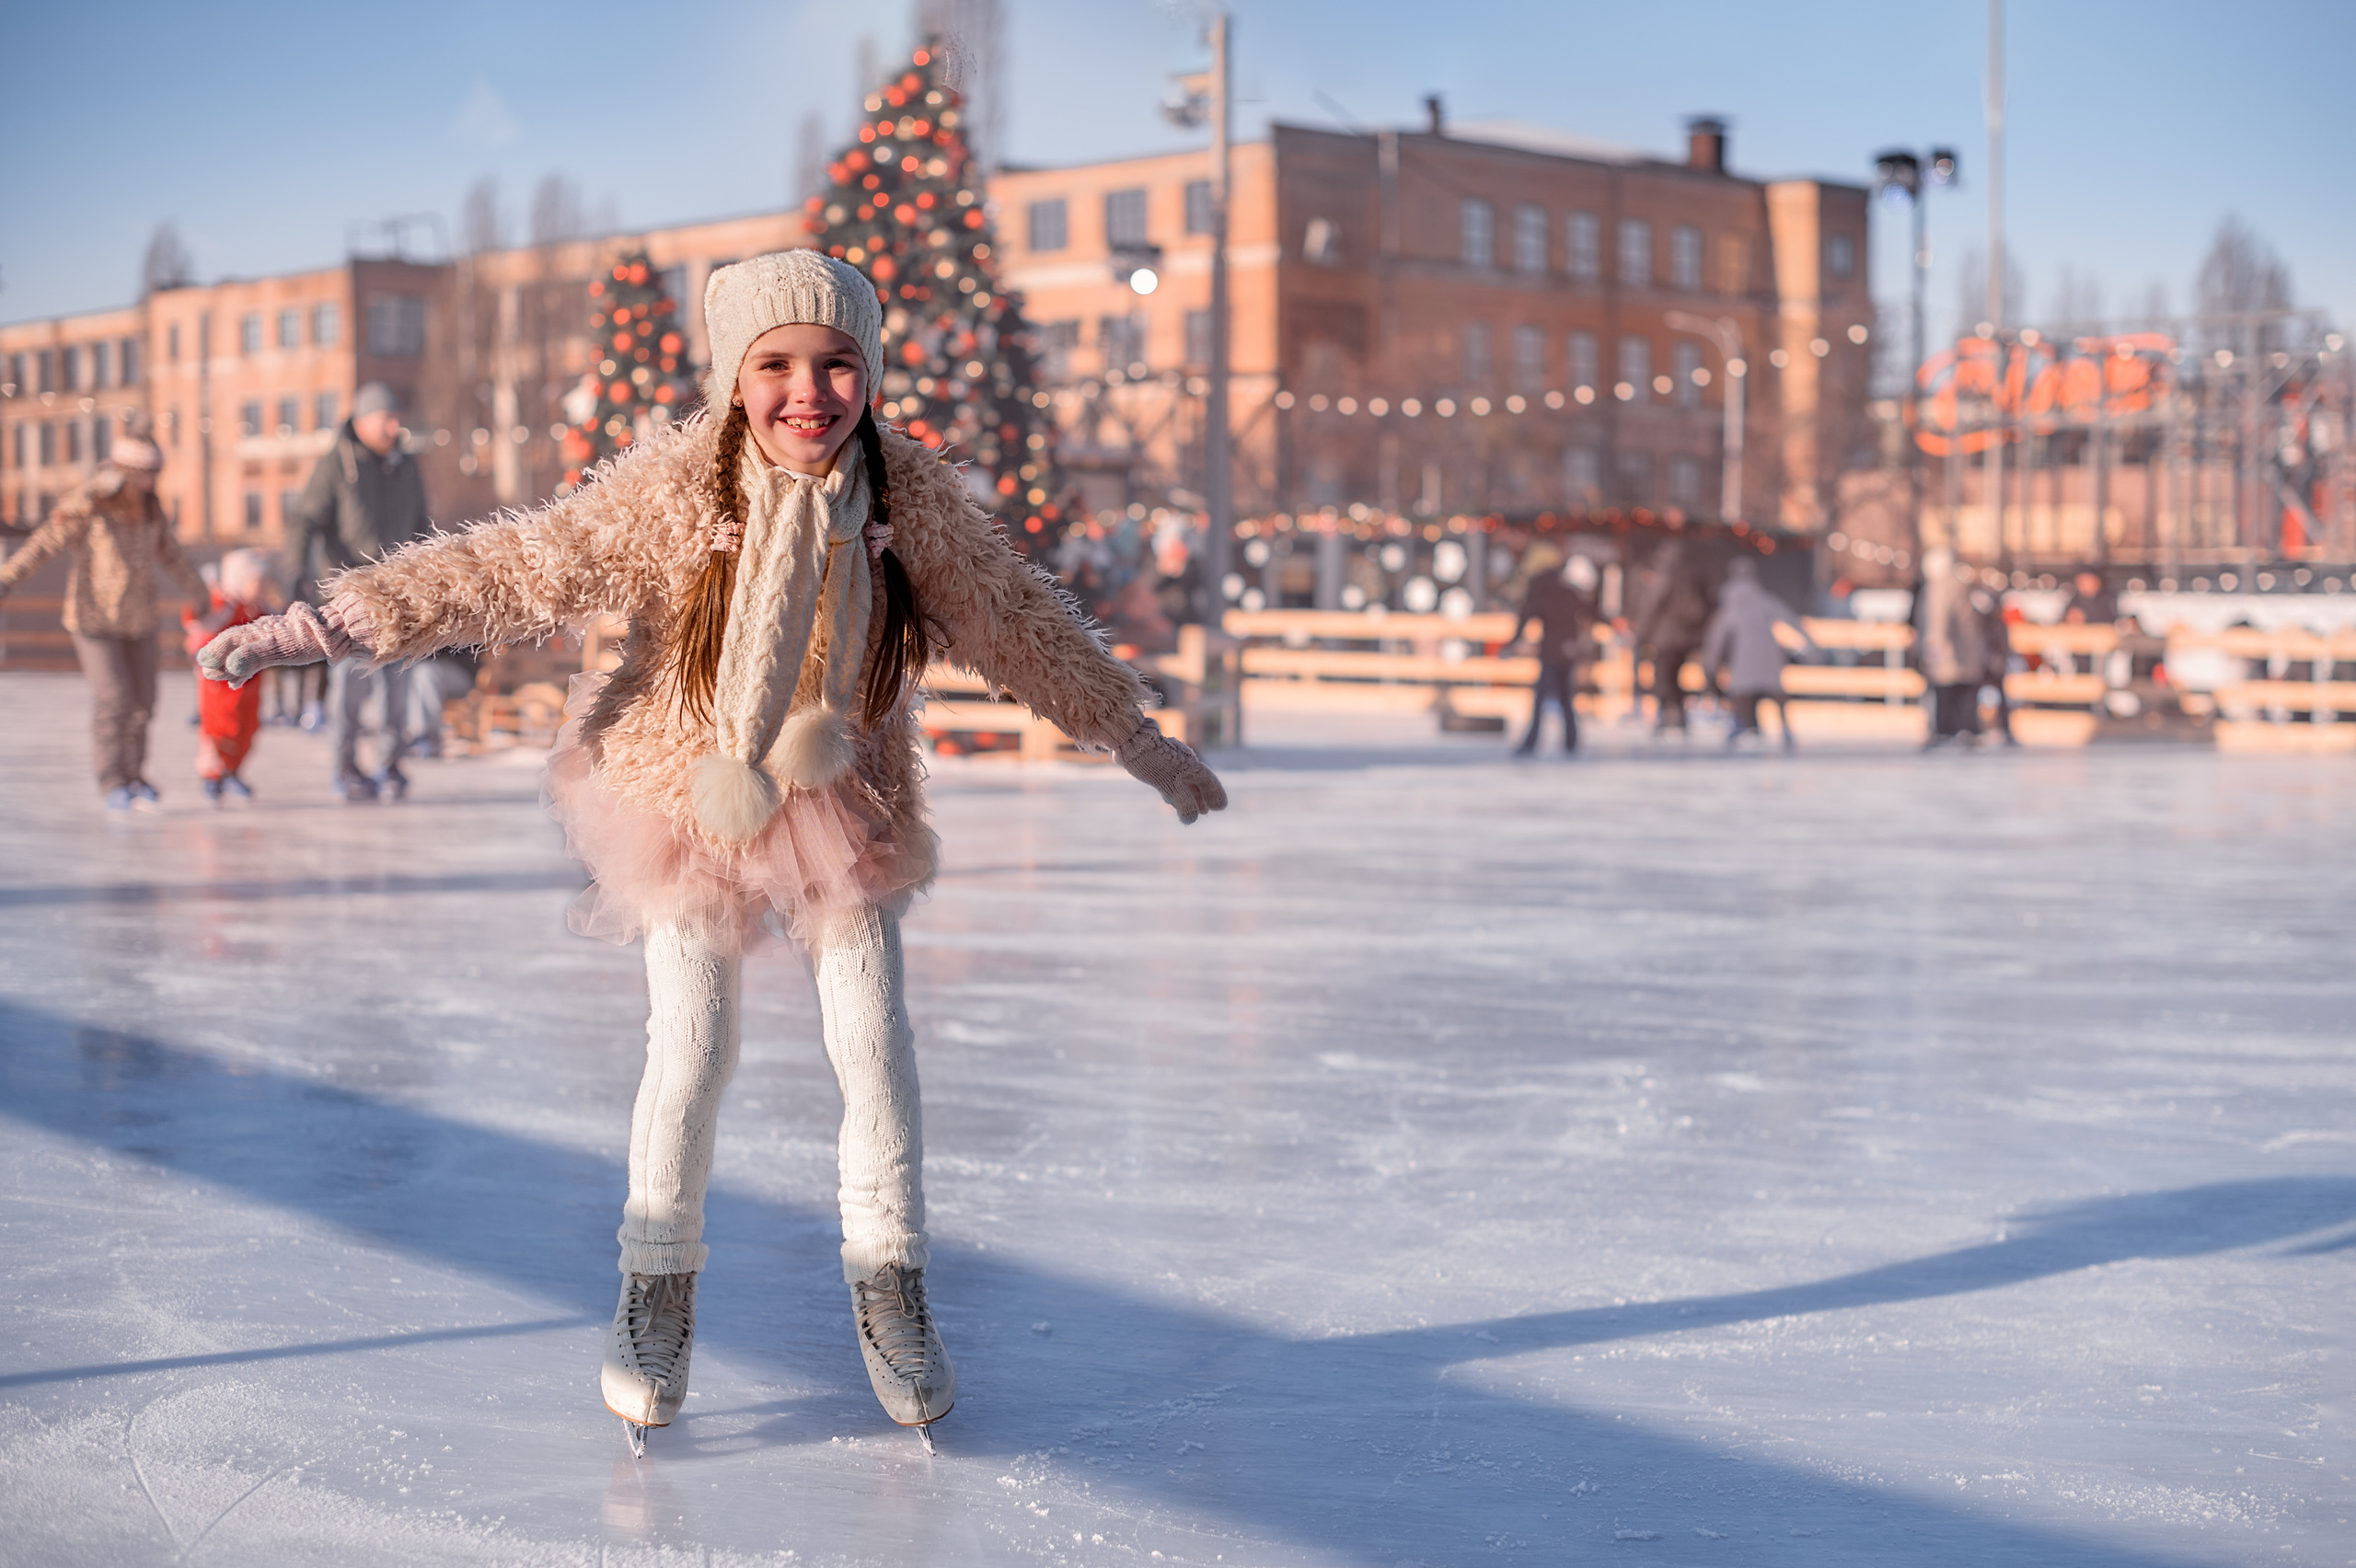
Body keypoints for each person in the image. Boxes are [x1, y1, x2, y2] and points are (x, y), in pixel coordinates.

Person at [201, 251, 1227, 1451]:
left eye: (837, 362)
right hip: (686, 792)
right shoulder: (680, 487)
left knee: (874, 1047)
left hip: (842, 796)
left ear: (870, 372)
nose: (810, 391)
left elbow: (1017, 618)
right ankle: (656, 1287)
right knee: (692, 1047)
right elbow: (524, 563)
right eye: (776, 363)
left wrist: (1137, 740)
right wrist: (328, 626)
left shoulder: (909, 498)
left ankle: (891, 1285)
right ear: (733, 376)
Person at [0, 427, 205, 812]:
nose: (151, 481)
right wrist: (7, 579)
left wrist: (201, 592)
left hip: (140, 618)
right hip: (94, 620)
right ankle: (113, 780)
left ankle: (135, 775)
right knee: (115, 698)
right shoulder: (89, 502)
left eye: (156, 473)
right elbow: (45, 542)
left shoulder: (151, 508)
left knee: (144, 701)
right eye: (145, 473)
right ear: (125, 470)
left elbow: (173, 555)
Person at [286, 381, 433, 800]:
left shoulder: (406, 465)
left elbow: (422, 524)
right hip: (351, 598)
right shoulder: (336, 463)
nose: (394, 428)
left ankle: (391, 764)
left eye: (396, 419)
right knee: (349, 688)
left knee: (397, 688)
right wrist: (296, 569)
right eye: (386, 419)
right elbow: (305, 520)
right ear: (364, 422)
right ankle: (345, 765)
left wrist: (431, 575)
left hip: (400, 597)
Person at [181, 548, 277, 801]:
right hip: (219, 684)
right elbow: (195, 620)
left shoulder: (257, 609)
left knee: (247, 727)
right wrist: (201, 608)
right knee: (219, 727)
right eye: (257, 584)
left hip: (251, 682)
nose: (263, 589)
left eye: (264, 584)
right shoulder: (223, 605)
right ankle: (213, 774)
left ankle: (233, 771)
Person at [1700, 557, 1817, 750]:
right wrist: (1810, 643)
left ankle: (1738, 725)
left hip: (1743, 657)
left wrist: (1710, 663)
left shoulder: (1730, 605)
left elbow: (1717, 636)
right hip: (1767, 654)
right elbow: (1789, 618)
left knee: (1740, 693)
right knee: (1775, 693)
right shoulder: (1763, 599)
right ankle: (1785, 728)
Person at [1508, 545, 1600, 755]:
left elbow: (1527, 614)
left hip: (1552, 652)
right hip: (1566, 651)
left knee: (1544, 699)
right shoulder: (1566, 592)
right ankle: (1569, 742)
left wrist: (1515, 639)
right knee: (1565, 699)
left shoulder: (1544, 591)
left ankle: (1536, 742)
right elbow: (1591, 611)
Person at [1631, 537, 1713, 733]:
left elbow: (1653, 604)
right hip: (1687, 638)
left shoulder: (1665, 574)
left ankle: (1667, 716)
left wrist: (1642, 632)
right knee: (1675, 678)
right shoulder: (1692, 573)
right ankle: (1680, 717)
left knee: (1663, 678)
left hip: (1665, 637)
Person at [1916, 548, 1988, 747]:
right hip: (1966, 650)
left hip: (1947, 652)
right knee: (1964, 691)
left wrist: (1933, 644)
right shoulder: (1962, 583)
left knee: (1943, 692)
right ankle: (1967, 729)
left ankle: (1944, 731)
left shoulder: (1938, 587)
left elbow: (1938, 618)